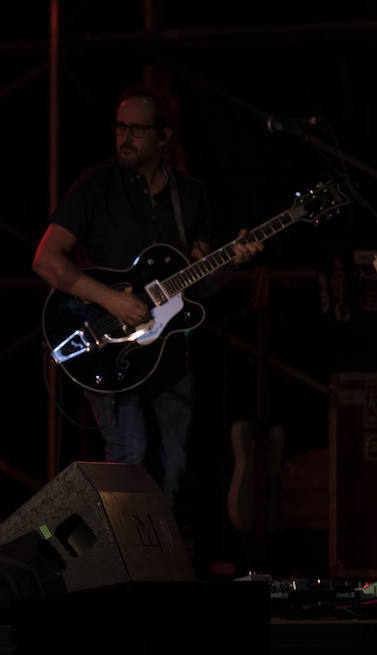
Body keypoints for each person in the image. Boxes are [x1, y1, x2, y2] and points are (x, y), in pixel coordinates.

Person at [31, 83, 260, 507]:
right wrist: (111, 299)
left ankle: (155, 565)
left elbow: (197, 288)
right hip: (106, 341)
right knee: (127, 455)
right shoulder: (96, 185)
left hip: (168, 353)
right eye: (120, 128)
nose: (126, 138)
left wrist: (232, 261)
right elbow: (46, 259)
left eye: (138, 129)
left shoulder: (189, 196)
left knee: (172, 469)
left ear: (164, 137)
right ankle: (117, 569)